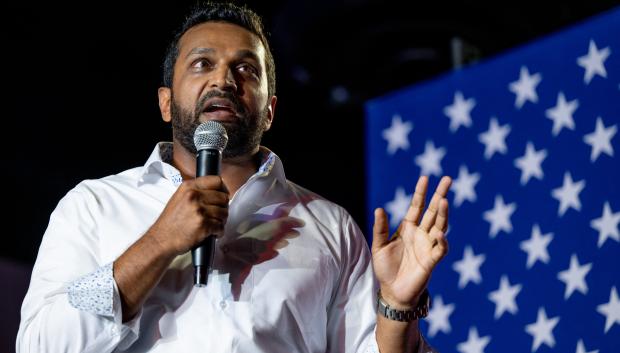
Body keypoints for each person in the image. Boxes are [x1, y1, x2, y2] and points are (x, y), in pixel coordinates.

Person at [17, 2, 452, 352]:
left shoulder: (329, 226)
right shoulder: (94, 205)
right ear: (166, 103)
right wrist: (160, 241)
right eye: (202, 64)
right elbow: (40, 344)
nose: (224, 79)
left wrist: (397, 306)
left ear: (270, 110)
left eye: (246, 69)